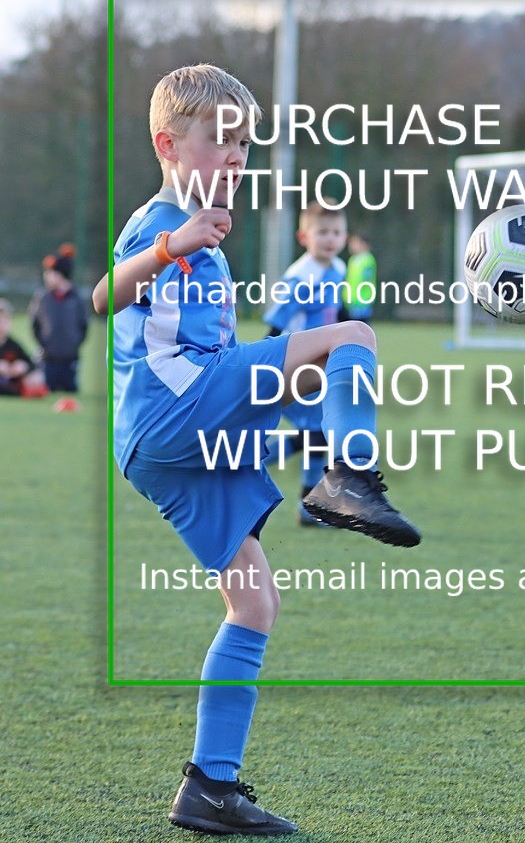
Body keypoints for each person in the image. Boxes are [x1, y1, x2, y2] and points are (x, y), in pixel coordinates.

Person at [93, 63, 420, 835]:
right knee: (353, 334)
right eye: (220, 140)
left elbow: (205, 344)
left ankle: (210, 787)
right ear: (168, 144)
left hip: (160, 439)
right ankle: (347, 476)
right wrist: (172, 245)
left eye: (244, 142)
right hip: (177, 414)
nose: (237, 156)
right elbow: (109, 296)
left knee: (254, 602)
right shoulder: (163, 221)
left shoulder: (203, 225)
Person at [263, 200, 347, 525]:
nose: (330, 238)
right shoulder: (300, 278)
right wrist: (269, 368)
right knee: (317, 436)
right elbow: (275, 325)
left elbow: (337, 314)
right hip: (294, 366)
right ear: (303, 237)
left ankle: (309, 510)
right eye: (322, 231)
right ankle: (240, 461)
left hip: (320, 368)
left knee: (319, 437)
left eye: (336, 232)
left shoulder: (337, 269)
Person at [30, 243, 88, 392]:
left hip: (70, 359)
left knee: (70, 390)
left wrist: (74, 344)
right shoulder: (42, 298)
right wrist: (44, 344)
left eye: (50, 272)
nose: (46, 276)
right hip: (48, 359)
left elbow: (83, 326)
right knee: (47, 389)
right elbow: (35, 324)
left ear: (59, 275)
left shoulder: (76, 299)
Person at [0, 298, 47, 397]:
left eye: (5, 320)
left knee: (36, 378)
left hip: (9, 387)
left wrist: (23, 367)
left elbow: (32, 365)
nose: (2, 324)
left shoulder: (13, 345)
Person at [341, 232, 377, 323]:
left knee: (362, 328)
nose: (352, 246)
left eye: (355, 243)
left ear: (363, 244)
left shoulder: (368, 260)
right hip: (350, 300)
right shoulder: (353, 259)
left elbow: (366, 280)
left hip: (362, 301)